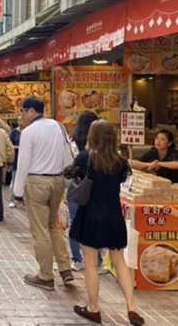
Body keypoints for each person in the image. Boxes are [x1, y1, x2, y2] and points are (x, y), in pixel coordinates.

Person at [67, 120, 145, 326]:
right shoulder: (121, 162)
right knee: (121, 262)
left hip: (90, 216)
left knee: (91, 264)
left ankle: (94, 308)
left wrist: (84, 152)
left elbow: (69, 173)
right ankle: (132, 309)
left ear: (92, 137)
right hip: (113, 217)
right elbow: (121, 181)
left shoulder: (86, 158)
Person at [13, 96, 74, 290]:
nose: (21, 114)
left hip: (37, 181)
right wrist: (67, 181)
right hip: (57, 180)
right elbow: (67, 153)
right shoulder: (58, 126)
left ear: (31, 111)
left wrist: (17, 192)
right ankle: (66, 270)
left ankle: (46, 275)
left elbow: (23, 162)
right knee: (53, 226)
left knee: (40, 230)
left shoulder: (29, 132)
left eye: (23, 110)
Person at [67, 111, 107, 273]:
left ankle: (76, 259)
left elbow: (69, 168)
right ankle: (97, 261)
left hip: (76, 187)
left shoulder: (71, 141)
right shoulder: (101, 145)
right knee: (94, 222)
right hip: (96, 189)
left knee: (74, 222)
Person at [8, 113, 25, 208]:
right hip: (17, 158)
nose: (20, 122)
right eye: (18, 120)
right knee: (15, 179)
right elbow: (10, 145)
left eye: (21, 120)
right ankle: (13, 199)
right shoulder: (14, 132)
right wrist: (19, 147)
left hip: (28, 159)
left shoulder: (29, 131)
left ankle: (23, 199)